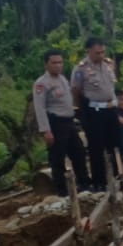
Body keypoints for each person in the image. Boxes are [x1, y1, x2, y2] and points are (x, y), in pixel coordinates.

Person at [32, 49, 91, 197]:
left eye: (60, 62)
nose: (58, 65)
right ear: (46, 64)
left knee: (78, 152)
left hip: (69, 121)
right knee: (57, 158)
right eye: (54, 63)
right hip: (55, 123)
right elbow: (40, 108)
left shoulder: (63, 79)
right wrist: (46, 130)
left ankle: (84, 183)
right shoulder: (41, 83)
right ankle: (62, 190)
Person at [71, 37, 119, 191]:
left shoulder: (109, 64)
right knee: (96, 147)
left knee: (114, 144)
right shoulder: (80, 69)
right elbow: (76, 91)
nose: (101, 55)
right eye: (97, 52)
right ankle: (99, 182)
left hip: (111, 109)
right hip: (94, 111)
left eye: (103, 52)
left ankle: (117, 176)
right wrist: (82, 110)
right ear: (88, 51)